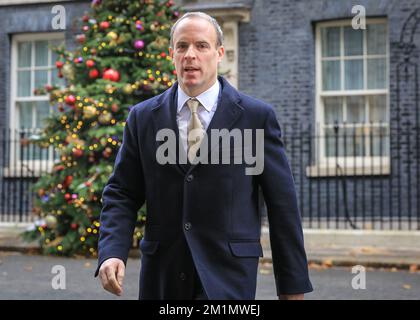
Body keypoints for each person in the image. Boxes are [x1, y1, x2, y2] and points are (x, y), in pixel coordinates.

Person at [95, 11, 313, 300]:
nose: (190, 55)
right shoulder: (143, 118)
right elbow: (122, 192)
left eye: (201, 45)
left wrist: (292, 285)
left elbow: (281, 205)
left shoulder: (256, 117)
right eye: (182, 46)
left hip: (228, 277)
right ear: (171, 54)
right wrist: (112, 252)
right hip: (164, 276)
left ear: (219, 53)